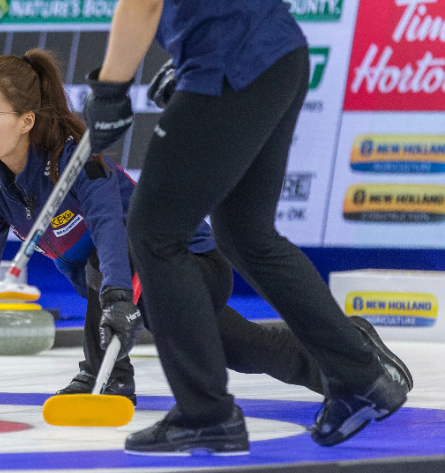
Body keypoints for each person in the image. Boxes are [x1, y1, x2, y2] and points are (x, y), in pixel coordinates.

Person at [0, 47, 356, 403]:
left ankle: (106, 374)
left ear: (26, 120)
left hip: (185, 266)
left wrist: (115, 299)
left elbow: (110, 227)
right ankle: (351, 356)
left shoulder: (77, 157)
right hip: (128, 288)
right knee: (247, 351)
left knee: (105, 250)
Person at [82, 0, 412, 456]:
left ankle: (205, 415)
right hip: (278, 54)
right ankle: (361, 377)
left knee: (155, 233)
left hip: (228, 64)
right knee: (246, 233)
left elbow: (143, 3)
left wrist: (110, 92)